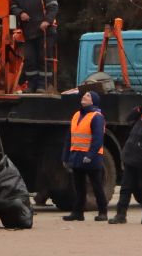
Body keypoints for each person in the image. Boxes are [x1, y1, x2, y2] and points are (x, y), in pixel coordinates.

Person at [59, 87, 107, 221]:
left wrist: (90, 155)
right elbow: (70, 137)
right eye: (84, 96)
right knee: (79, 187)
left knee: (96, 185)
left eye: (87, 96)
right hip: (77, 156)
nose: (83, 97)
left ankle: (103, 212)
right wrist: (65, 156)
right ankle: (78, 213)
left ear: (93, 101)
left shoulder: (97, 117)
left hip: (91, 158)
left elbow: (98, 139)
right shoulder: (76, 115)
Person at [12, 0, 59, 92]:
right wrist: (20, 13)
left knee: (44, 59)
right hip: (28, 32)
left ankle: (43, 85)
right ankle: (32, 85)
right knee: (30, 59)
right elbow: (12, 6)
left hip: (45, 32)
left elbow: (53, 6)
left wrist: (47, 21)